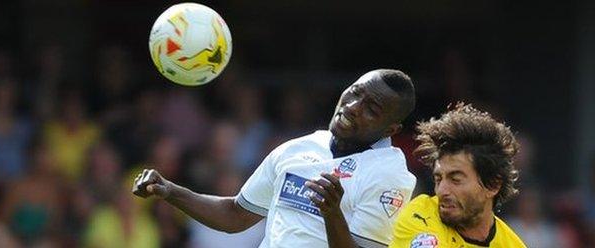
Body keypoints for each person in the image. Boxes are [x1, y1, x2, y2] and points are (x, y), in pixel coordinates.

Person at [132, 69, 417, 247]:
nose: (353, 107)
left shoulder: (390, 175)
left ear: (391, 129)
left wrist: (332, 214)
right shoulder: (295, 149)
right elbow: (236, 215)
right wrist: (170, 191)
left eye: (372, 108)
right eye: (355, 93)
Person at [389, 103, 525, 247]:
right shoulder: (420, 216)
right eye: (438, 179)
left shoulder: (512, 244)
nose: (442, 191)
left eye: (456, 180)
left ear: (493, 185)